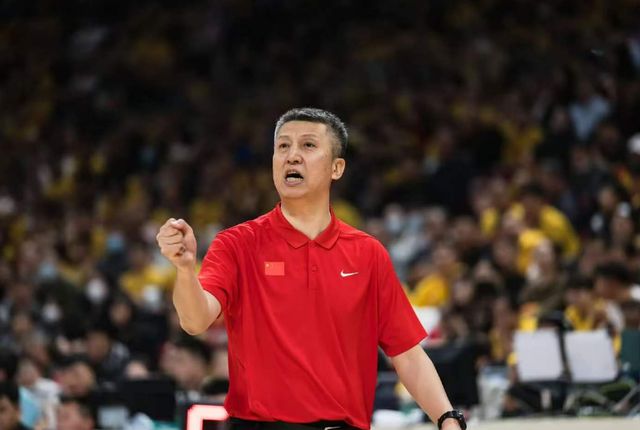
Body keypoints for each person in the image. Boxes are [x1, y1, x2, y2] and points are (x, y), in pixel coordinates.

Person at [156, 108, 465, 430]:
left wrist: (447, 418)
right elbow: (195, 321)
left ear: (336, 168)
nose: (292, 156)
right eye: (283, 146)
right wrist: (184, 269)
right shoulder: (236, 244)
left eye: (307, 145)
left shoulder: (368, 254)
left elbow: (408, 355)